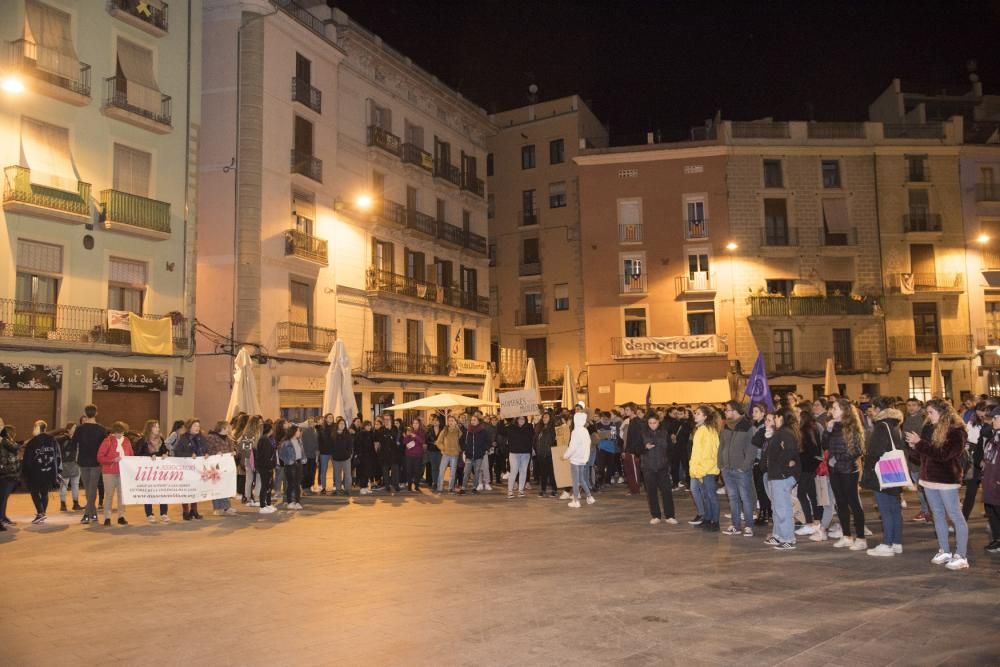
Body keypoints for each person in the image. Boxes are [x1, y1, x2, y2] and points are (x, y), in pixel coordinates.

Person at [904, 399, 970, 570]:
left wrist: (920, 444)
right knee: (937, 515)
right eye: (927, 412)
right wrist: (914, 447)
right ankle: (945, 550)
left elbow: (944, 455)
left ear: (943, 412)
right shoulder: (928, 428)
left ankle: (961, 555)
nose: (928, 416)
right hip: (928, 478)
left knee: (955, 515)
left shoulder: (957, 431)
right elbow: (923, 456)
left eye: (931, 412)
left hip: (946, 479)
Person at [862, 397, 904, 557]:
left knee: (885, 509)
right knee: (894, 508)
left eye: (872, 408)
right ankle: (897, 542)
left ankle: (887, 543)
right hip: (894, 470)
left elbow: (875, 451)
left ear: (878, 409)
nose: (870, 411)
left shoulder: (881, 426)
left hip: (882, 472)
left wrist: (869, 467)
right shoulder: (893, 425)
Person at [824, 398, 867, 551]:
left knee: (853, 502)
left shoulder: (853, 427)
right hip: (835, 470)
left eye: (835, 408)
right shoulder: (833, 427)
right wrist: (827, 431)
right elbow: (825, 445)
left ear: (844, 411)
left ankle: (861, 537)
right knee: (840, 503)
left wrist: (838, 459)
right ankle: (847, 536)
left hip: (848, 470)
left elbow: (858, 450)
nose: (831, 411)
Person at [763, 408, 801, 550]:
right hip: (776, 475)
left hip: (781, 476)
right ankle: (778, 535)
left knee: (782, 508)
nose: (773, 421)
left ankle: (788, 538)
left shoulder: (785, 432)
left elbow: (790, 451)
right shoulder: (780, 432)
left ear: (780, 418)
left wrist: (783, 466)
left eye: (775, 418)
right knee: (777, 507)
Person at [719, 401, 756, 537]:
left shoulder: (748, 426)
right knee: (733, 497)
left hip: (741, 469)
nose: (725, 412)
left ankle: (748, 526)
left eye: (727, 410)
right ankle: (735, 525)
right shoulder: (726, 426)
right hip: (727, 468)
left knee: (745, 497)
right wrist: (721, 464)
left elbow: (752, 449)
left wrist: (745, 466)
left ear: (734, 411)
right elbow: (721, 446)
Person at [631, 412, 675, 524]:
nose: (652, 425)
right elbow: (635, 449)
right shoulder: (642, 433)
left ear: (658, 422)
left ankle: (670, 515)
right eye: (650, 423)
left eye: (654, 423)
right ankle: (656, 515)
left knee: (666, 491)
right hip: (648, 467)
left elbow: (670, 449)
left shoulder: (665, 433)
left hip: (663, 467)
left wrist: (667, 461)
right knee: (651, 492)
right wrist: (644, 447)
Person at [72, 404, 107, 524]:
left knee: (89, 489)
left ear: (85, 413)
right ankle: (93, 514)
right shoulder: (101, 429)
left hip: (82, 461)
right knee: (91, 488)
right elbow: (105, 446)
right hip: (96, 462)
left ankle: (87, 514)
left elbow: (73, 444)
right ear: (96, 413)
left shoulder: (79, 428)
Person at [689, 405, 721, 531]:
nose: (695, 415)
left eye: (698, 413)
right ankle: (708, 518)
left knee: (711, 495)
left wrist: (701, 470)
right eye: (695, 413)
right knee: (705, 496)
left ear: (705, 417)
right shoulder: (701, 429)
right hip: (701, 470)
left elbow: (708, 454)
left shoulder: (707, 431)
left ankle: (715, 521)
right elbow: (697, 453)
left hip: (707, 470)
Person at [793, 404, 823, 537]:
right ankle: (816, 521)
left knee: (802, 494)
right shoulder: (810, 427)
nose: (795, 413)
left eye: (797, 411)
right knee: (812, 494)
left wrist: (799, 457)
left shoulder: (806, 429)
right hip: (809, 466)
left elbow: (812, 450)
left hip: (807, 466)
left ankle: (810, 522)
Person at [22, 420, 61, 525]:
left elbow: (27, 460)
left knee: (34, 492)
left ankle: (40, 513)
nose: (33, 429)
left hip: (35, 473)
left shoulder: (32, 442)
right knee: (44, 493)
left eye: (34, 427)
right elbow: (58, 456)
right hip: (50, 472)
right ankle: (42, 513)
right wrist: (58, 471)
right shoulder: (52, 440)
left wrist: (25, 473)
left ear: (39, 428)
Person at [96, 421, 133, 526]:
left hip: (123, 472)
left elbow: (131, 454)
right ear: (114, 432)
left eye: (121, 433)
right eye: (117, 433)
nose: (119, 435)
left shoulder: (126, 441)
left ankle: (121, 516)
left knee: (122, 495)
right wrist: (113, 459)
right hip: (109, 472)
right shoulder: (107, 441)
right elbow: (100, 457)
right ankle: (107, 517)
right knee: (109, 495)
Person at [134, 420, 169, 523]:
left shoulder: (161, 440)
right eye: (155, 427)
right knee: (149, 492)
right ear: (149, 428)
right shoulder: (142, 441)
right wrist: (150, 456)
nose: (157, 429)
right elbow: (137, 455)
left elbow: (165, 450)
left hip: (160, 471)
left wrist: (165, 454)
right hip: (147, 471)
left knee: (162, 491)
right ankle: (149, 514)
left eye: (158, 427)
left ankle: (164, 513)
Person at [903, 398, 930, 522]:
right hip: (911, 456)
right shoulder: (907, 419)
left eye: (914, 405)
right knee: (919, 486)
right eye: (909, 405)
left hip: (920, 456)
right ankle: (927, 510)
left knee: (922, 487)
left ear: (919, 406)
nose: (911, 407)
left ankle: (926, 511)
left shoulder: (923, 420)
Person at [174, 419, 206, 520]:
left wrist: (206, 453)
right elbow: (177, 452)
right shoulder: (183, 438)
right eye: (195, 426)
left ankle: (194, 510)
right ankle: (185, 511)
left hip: (198, 468)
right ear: (189, 427)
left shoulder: (202, 438)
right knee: (186, 490)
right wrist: (189, 455)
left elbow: (206, 448)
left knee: (195, 489)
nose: (197, 428)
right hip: (186, 468)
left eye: (198, 426)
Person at [205, 421, 238, 516]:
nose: (230, 429)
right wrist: (215, 454)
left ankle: (227, 506)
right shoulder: (211, 438)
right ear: (222, 428)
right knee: (216, 486)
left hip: (226, 466)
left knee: (226, 486)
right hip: (216, 466)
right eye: (228, 427)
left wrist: (234, 452)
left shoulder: (229, 438)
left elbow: (234, 448)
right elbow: (207, 450)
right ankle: (217, 507)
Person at [563, 412, 595, 508]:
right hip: (583, 459)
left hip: (575, 460)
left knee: (575, 481)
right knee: (581, 479)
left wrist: (565, 456)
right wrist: (586, 457)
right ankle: (589, 497)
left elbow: (572, 447)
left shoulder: (575, 432)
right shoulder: (585, 431)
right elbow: (588, 444)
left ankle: (576, 501)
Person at [749, 403, 772, 526]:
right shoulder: (757, 426)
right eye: (753, 411)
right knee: (760, 489)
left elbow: (756, 442)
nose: (753, 414)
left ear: (763, 413)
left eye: (756, 411)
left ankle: (765, 514)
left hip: (761, 462)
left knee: (763, 490)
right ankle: (765, 513)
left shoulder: (763, 427)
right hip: (757, 461)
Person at [982, 407, 1000, 554]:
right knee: (992, 510)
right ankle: (997, 539)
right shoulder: (994, 436)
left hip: (997, 480)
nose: (992, 421)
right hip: (990, 478)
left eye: (995, 418)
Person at [460, 415, 491, 495]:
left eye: (474, 420)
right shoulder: (467, 431)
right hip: (469, 455)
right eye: (472, 420)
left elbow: (488, 441)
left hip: (479, 456)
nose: (472, 421)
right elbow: (461, 441)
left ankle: (474, 488)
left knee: (477, 472)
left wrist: (483, 450)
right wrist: (465, 449)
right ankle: (463, 488)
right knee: (466, 472)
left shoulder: (483, 431)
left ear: (478, 421)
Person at [505, 415, 533, 498]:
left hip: (525, 453)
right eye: (519, 418)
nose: (521, 420)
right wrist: (502, 419)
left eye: (523, 418)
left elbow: (532, 437)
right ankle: (510, 491)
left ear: (525, 419)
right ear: (516, 419)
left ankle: (521, 490)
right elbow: (501, 431)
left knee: (523, 471)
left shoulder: (529, 427)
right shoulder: (511, 427)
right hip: (514, 453)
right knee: (514, 471)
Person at [55, 424, 81, 512]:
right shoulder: (60, 439)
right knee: (64, 485)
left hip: (75, 464)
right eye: (74, 428)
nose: (76, 429)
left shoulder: (77, 438)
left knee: (75, 484)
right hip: (65, 464)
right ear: (68, 429)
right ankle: (63, 504)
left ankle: (76, 503)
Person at [0, 426, 22, 528]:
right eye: (13, 432)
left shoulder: (7, 442)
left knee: (4, 498)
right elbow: (15, 448)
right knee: (3, 498)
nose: (15, 434)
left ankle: (3, 517)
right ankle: (1, 519)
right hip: (7, 474)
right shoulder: (5, 442)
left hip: (9, 473)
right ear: (9, 433)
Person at [279, 424, 304, 509]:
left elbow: (302, 451)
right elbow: (281, 455)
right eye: (298, 431)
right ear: (293, 432)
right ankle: (289, 501)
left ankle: (297, 501)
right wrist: (288, 461)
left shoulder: (299, 441)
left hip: (298, 463)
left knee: (297, 483)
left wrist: (303, 458)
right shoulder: (286, 443)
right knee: (290, 484)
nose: (299, 432)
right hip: (290, 465)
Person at [534, 411, 558, 497]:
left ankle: (554, 489)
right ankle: (543, 489)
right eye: (543, 417)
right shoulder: (538, 428)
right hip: (540, 454)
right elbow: (535, 440)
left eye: (546, 417)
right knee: (543, 473)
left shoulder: (553, 428)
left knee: (551, 473)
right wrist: (536, 450)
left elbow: (556, 441)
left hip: (550, 454)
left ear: (550, 418)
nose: (544, 419)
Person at [436, 414, 462, 494]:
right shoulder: (444, 430)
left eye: (452, 421)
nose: (450, 422)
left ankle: (450, 488)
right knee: (441, 471)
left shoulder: (458, 431)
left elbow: (462, 441)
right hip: (446, 454)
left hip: (454, 454)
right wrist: (442, 448)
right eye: (449, 421)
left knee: (453, 472)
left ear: (455, 422)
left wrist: (459, 449)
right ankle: (439, 488)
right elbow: (438, 442)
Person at [254, 421, 276, 514]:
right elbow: (266, 456)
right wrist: (270, 466)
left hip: (265, 466)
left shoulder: (265, 439)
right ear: (270, 430)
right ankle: (262, 506)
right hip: (265, 467)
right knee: (265, 486)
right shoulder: (264, 440)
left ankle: (268, 503)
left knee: (268, 486)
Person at [594, 412, 620, 491]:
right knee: (601, 466)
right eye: (603, 418)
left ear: (609, 418)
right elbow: (595, 435)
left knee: (610, 466)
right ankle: (600, 482)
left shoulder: (612, 424)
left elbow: (614, 436)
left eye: (606, 419)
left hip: (610, 448)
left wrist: (608, 436)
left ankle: (607, 481)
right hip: (601, 448)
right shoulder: (597, 425)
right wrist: (602, 436)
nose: (605, 420)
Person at [331, 418, 354, 496]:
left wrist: (349, 453)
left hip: (346, 458)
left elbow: (350, 445)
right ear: (337, 425)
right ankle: (338, 489)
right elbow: (331, 445)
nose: (342, 425)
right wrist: (333, 454)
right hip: (336, 458)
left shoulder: (347, 434)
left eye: (343, 424)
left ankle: (348, 489)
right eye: (340, 423)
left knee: (347, 475)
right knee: (337, 475)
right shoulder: (333, 434)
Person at [402, 421, 425, 492]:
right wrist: (406, 436)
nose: (415, 424)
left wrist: (416, 436)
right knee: (409, 471)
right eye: (414, 423)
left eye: (417, 423)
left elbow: (422, 441)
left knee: (417, 471)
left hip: (418, 455)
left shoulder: (421, 433)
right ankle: (409, 486)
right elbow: (404, 442)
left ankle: (416, 485)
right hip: (409, 455)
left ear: (419, 424)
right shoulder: (409, 431)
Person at [299, 417, 320, 494]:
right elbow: (305, 444)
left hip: (313, 455)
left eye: (312, 422)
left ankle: (309, 487)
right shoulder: (306, 431)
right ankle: (305, 488)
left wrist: (317, 451)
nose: (311, 423)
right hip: (307, 455)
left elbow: (316, 442)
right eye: (309, 422)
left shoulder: (315, 430)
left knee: (312, 472)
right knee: (306, 472)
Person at [317, 413, 335, 494]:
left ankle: (335, 486)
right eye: (329, 417)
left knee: (336, 470)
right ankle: (323, 487)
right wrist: (318, 450)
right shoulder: (321, 427)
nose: (331, 418)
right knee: (323, 470)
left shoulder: (336, 427)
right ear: (326, 418)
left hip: (334, 452)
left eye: (332, 417)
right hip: (324, 452)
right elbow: (319, 440)